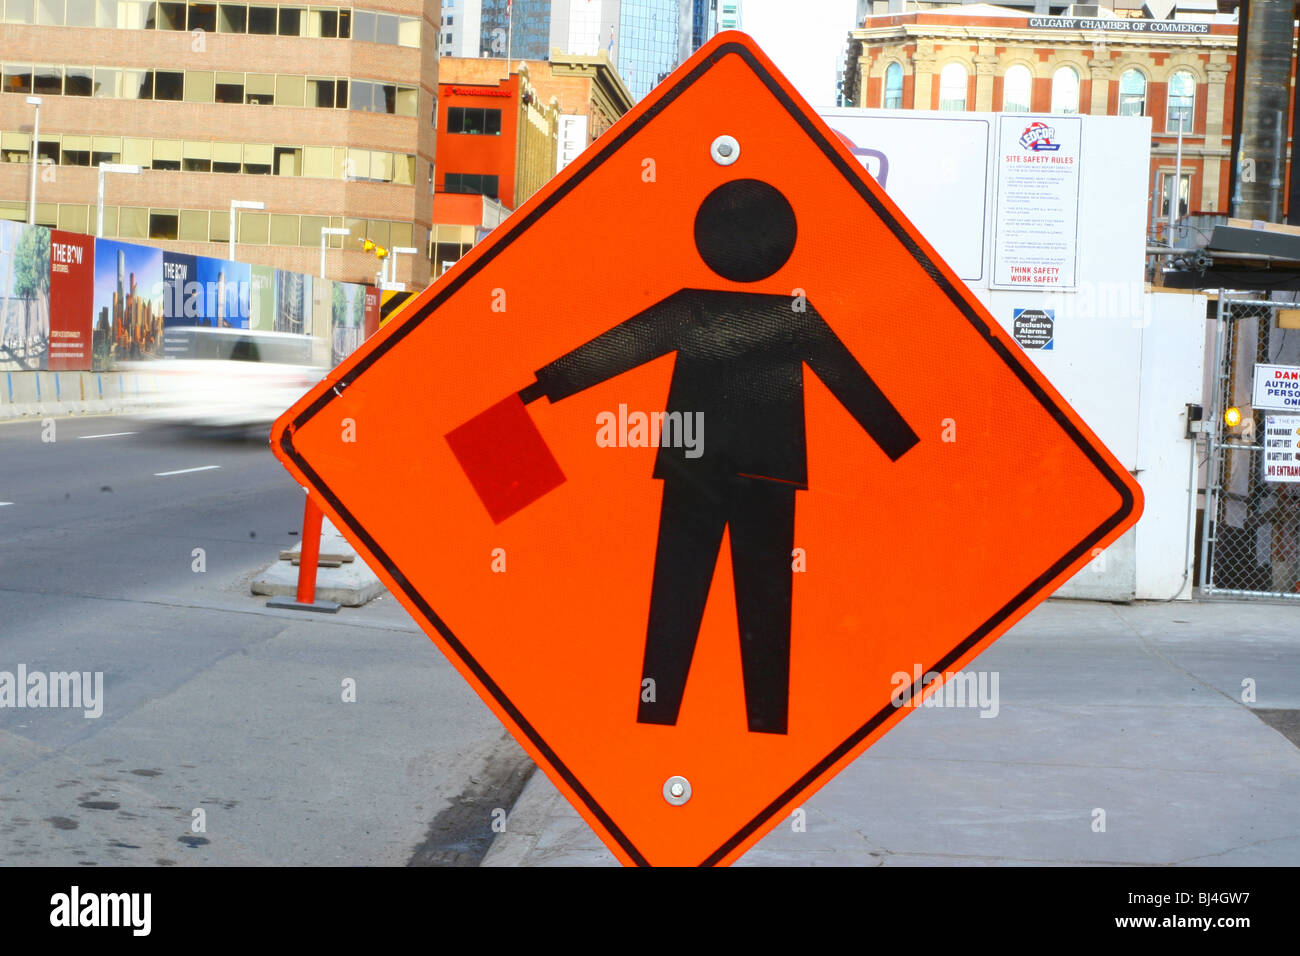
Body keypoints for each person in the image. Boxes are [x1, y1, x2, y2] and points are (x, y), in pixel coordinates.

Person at [519, 178, 919, 734]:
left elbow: (618, 348)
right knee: (764, 607)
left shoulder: (698, 309)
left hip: (695, 470)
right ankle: (763, 724)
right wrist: (905, 446)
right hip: (768, 474)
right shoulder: (792, 315)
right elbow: (852, 385)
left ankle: (661, 718)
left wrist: (536, 389)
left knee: (676, 601)